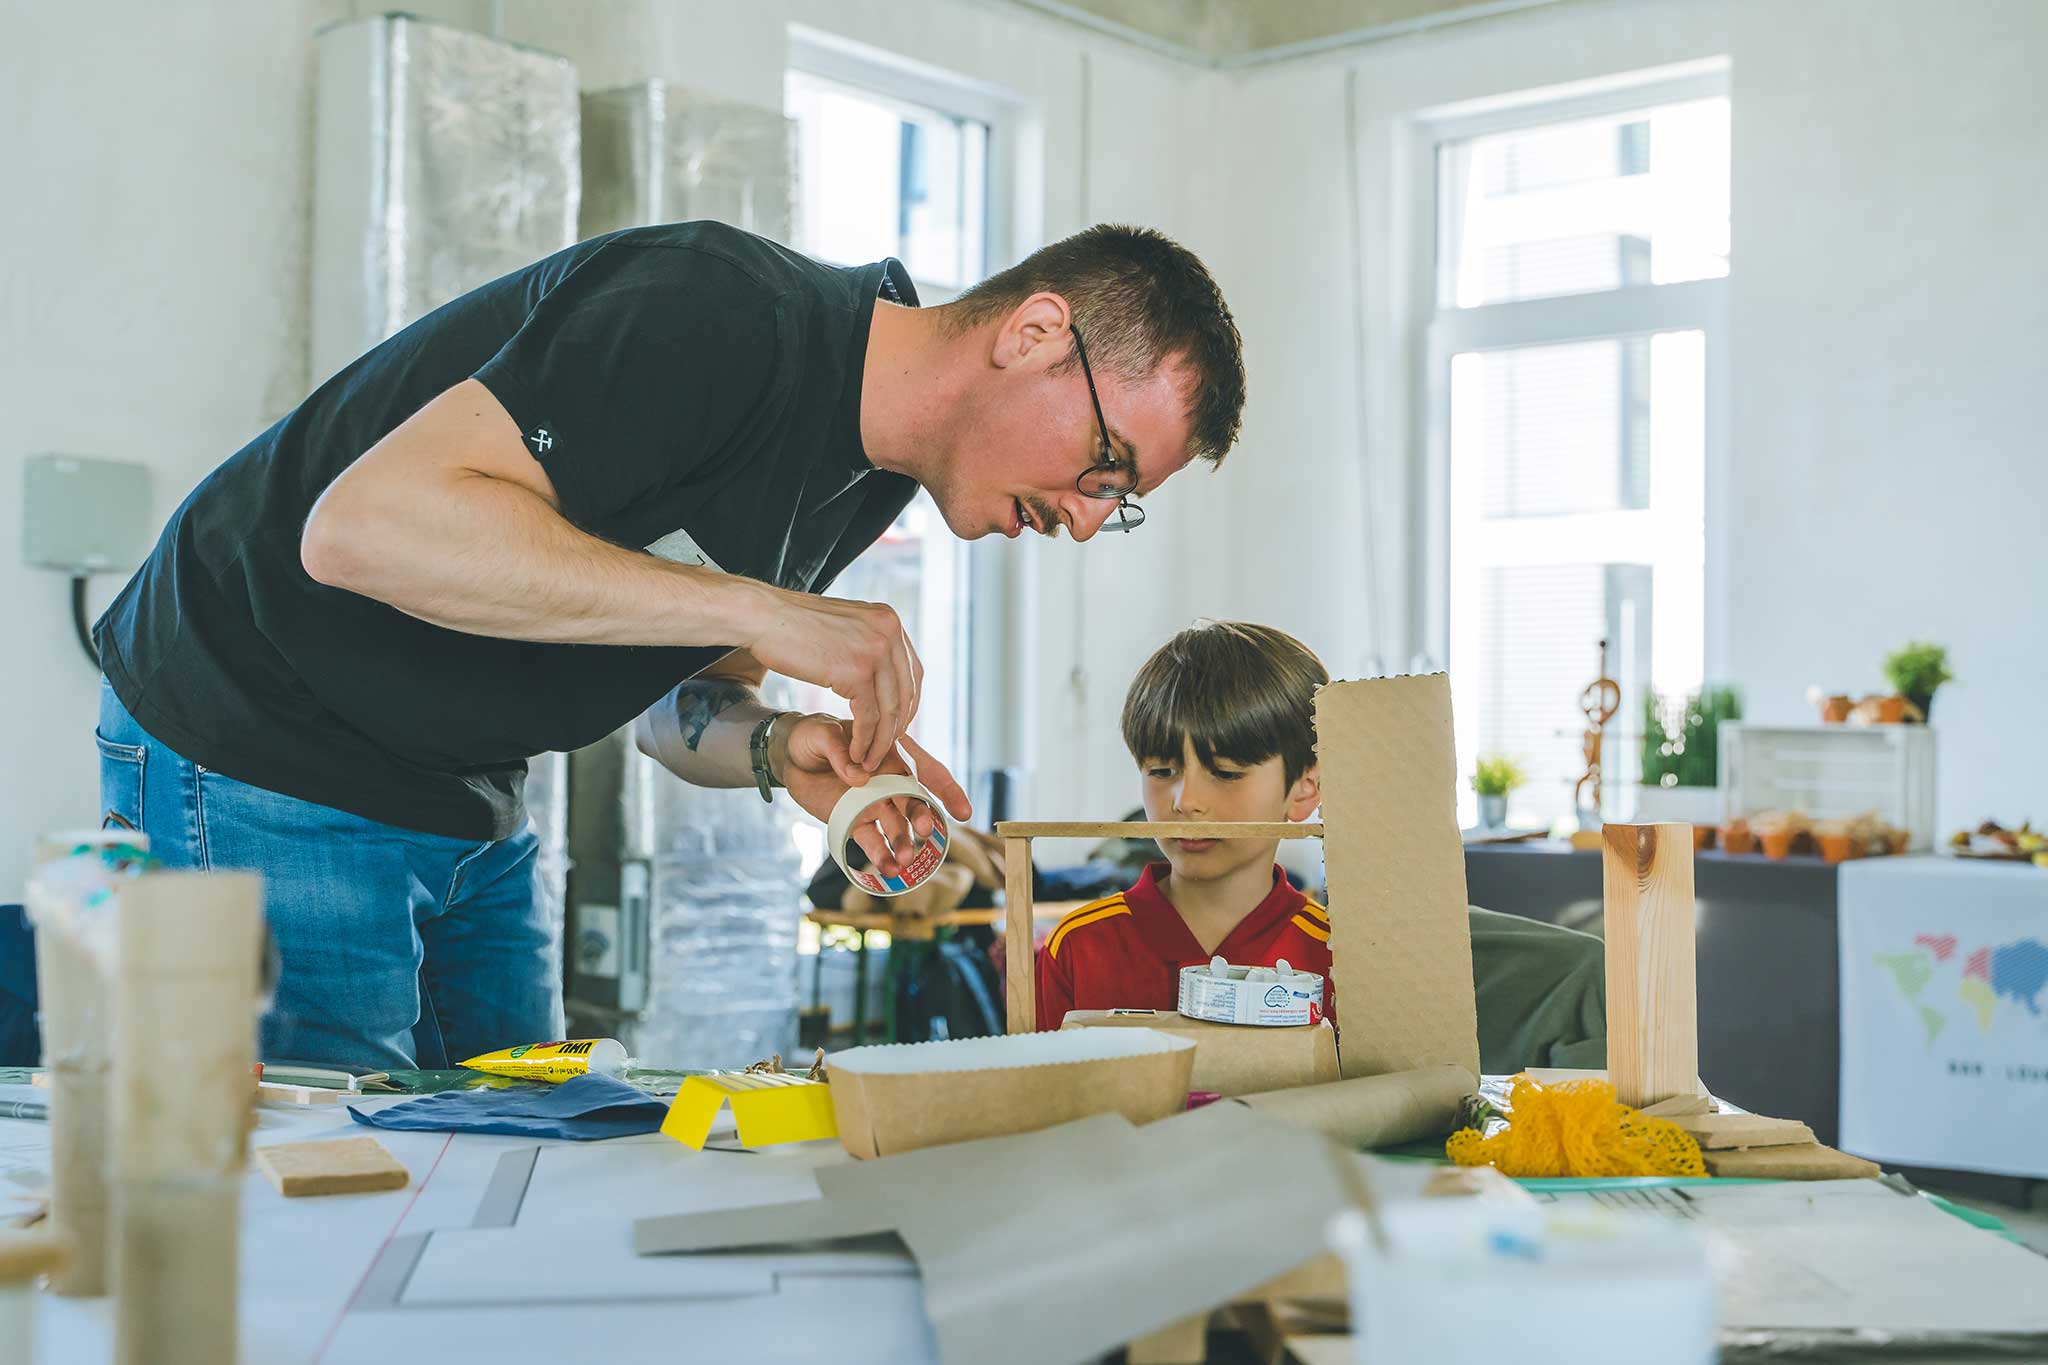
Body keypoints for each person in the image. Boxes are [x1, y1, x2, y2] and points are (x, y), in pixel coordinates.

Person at [93, 220, 1247, 1068]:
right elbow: (359, 532)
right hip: (258, 739)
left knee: (522, 1149)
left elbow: (660, 693)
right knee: (321, 1205)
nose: (1090, 516)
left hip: (462, 797)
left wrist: (780, 746)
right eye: (1106, 464)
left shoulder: (861, 481)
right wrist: (766, 612)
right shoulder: (720, 313)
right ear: (1036, 334)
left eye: (1120, 500)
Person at [1035, 622, 1332, 1028]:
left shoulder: (1337, 955)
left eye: (1225, 773)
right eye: (1160, 770)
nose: (1185, 801)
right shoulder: (1077, 946)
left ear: (1304, 788)